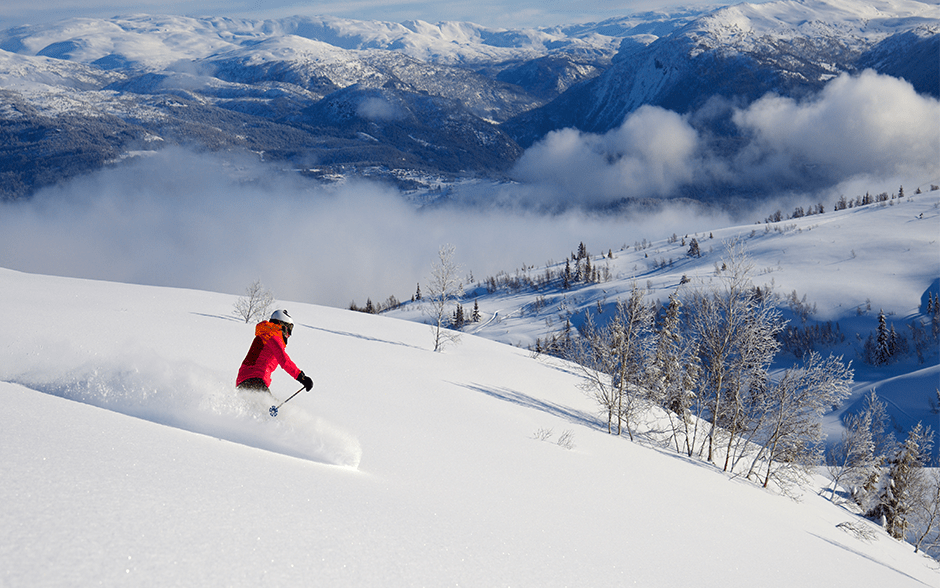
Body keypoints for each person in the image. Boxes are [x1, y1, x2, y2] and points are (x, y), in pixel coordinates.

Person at [236, 309, 314, 394]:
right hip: (255, 379)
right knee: (267, 405)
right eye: (289, 329)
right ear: (282, 325)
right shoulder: (273, 334)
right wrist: (301, 377)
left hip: (243, 381)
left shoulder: (265, 333)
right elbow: (284, 360)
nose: (289, 335)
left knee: (258, 405)